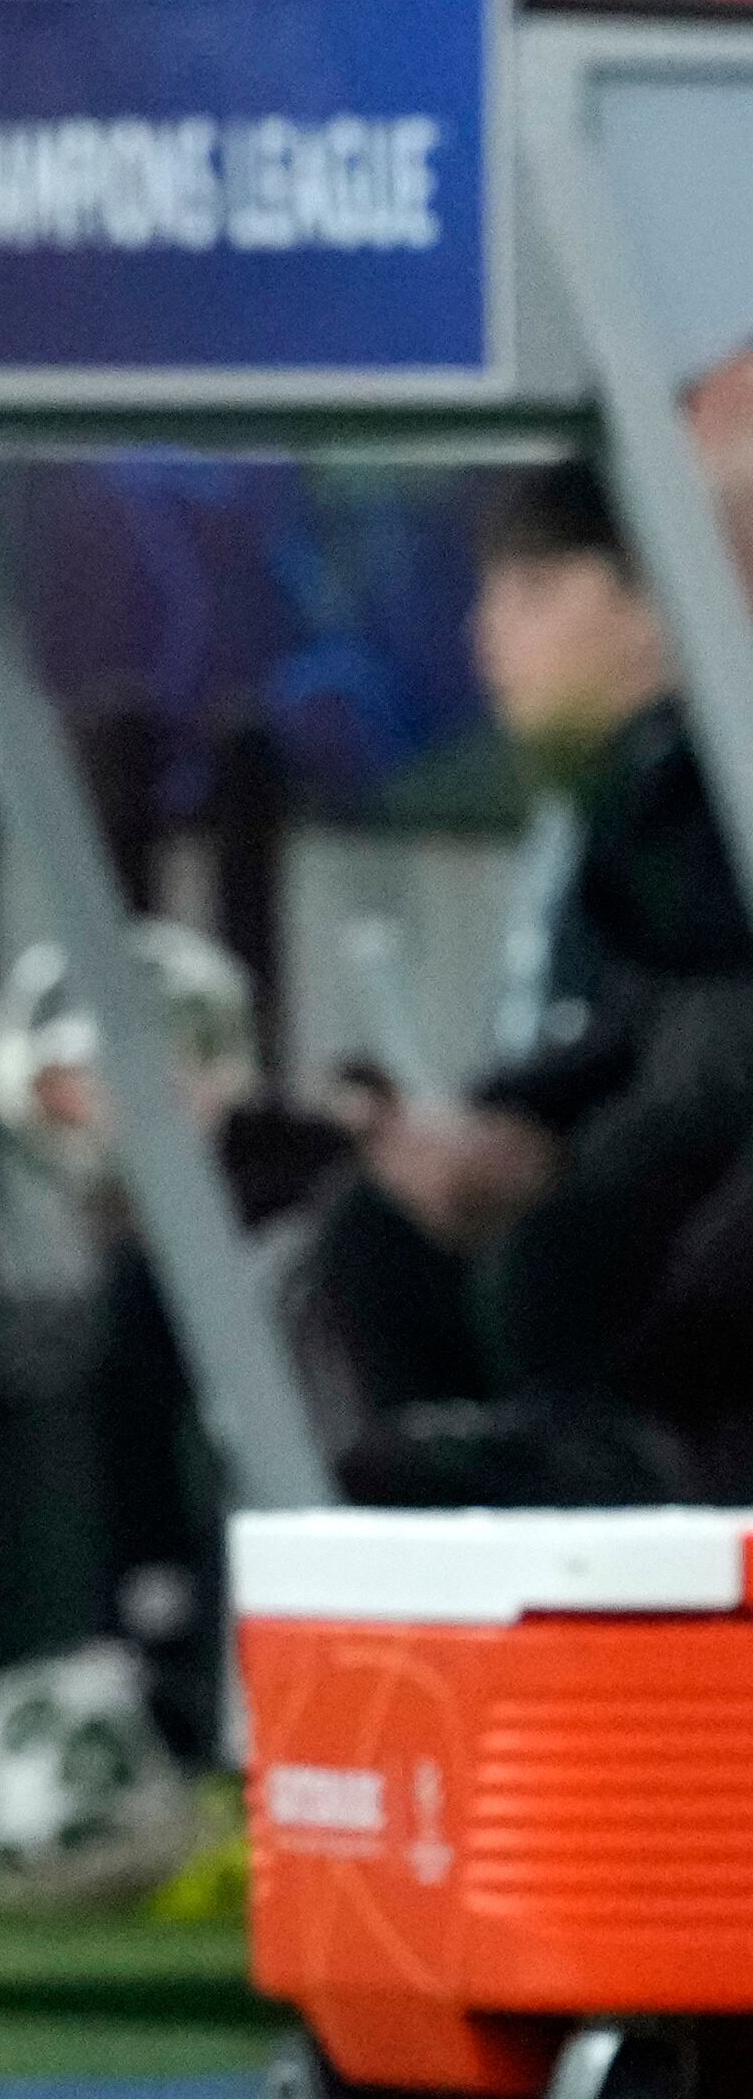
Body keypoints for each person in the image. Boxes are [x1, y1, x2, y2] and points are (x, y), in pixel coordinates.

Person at [319, 465, 753, 1503]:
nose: (485, 636)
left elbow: (699, 982)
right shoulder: (593, 798)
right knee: (375, 1230)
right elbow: (628, 1022)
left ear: (654, 598)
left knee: (569, 1243)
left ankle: (606, 1484)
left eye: (531, 590)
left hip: (695, 1160)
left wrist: (549, 1155)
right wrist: (487, 1120)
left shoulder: (690, 792)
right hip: (642, 1127)